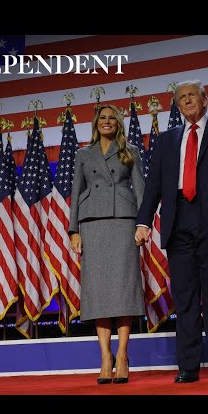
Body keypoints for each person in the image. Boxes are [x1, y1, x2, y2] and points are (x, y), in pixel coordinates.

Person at [135, 80, 208, 383]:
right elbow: (154, 187)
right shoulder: (166, 140)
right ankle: (187, 367)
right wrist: (143, 222)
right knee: (185, 301)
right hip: (179, 224)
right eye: (181, 97)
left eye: (192, 96)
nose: (187, 101)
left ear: (205, 100)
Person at [69, 104, 145, 384]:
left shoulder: (131, 151)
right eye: (103, 118)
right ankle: (105, 357)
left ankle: (123, 355)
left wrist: (142, 223)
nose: (107, 121)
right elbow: (75, 193)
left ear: (119, 123)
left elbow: (142, 189)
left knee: (124, 289)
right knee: (98, 291)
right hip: (92, 225)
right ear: (95, 123)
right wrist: (73, 230)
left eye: (112, 118)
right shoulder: (83, 154)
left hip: (123, 222)